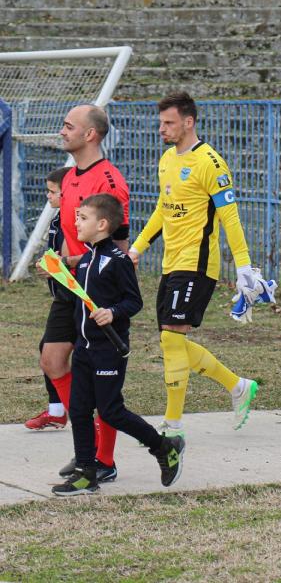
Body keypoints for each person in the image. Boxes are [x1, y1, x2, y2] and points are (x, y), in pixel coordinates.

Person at [128, 91, 261, 439]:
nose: (163, 129)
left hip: (198, 265)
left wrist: (244, 267)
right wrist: (138, 247)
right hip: (171, 264)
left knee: (172, 339)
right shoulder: (167, 160)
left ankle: (172, 427)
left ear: (188, 122)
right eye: (161, 123)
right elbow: (163, 208)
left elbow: (230, 217)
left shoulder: (210, 163)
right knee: (171, 341)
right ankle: (237, 386)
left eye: (169, 123)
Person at [51, 194, 185, 496]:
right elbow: (81, 301)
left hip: (108, 349)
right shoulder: (85, 260)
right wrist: (57, 274)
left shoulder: (118, 261)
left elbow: (133, 301)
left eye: (83, 218)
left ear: (102, 224)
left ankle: (164, 447)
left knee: (110, 411)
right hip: (85, 349)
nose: (76, 222)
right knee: (81, 410)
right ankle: (86, 472)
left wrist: (112, 312)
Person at [52, 105, 131, 483]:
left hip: (93, 295)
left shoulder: (110, 180)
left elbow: (118, 244)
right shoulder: (69, 177)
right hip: (69, 286)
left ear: (90, 135)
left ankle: (103, 459)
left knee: (100, 388)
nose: (62, 131)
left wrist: (112, 301)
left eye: (69, 126)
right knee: (52, 361)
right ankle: (88, 446)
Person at [25, 167, 71, 431]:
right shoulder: (57, 219)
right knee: (49, 351)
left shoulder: (78, 220)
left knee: (62, 356)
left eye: (53, 191)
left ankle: (92, 415)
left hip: (78, 298)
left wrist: (56, 266)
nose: (47, 196)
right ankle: (57, 411)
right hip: (63, 297)